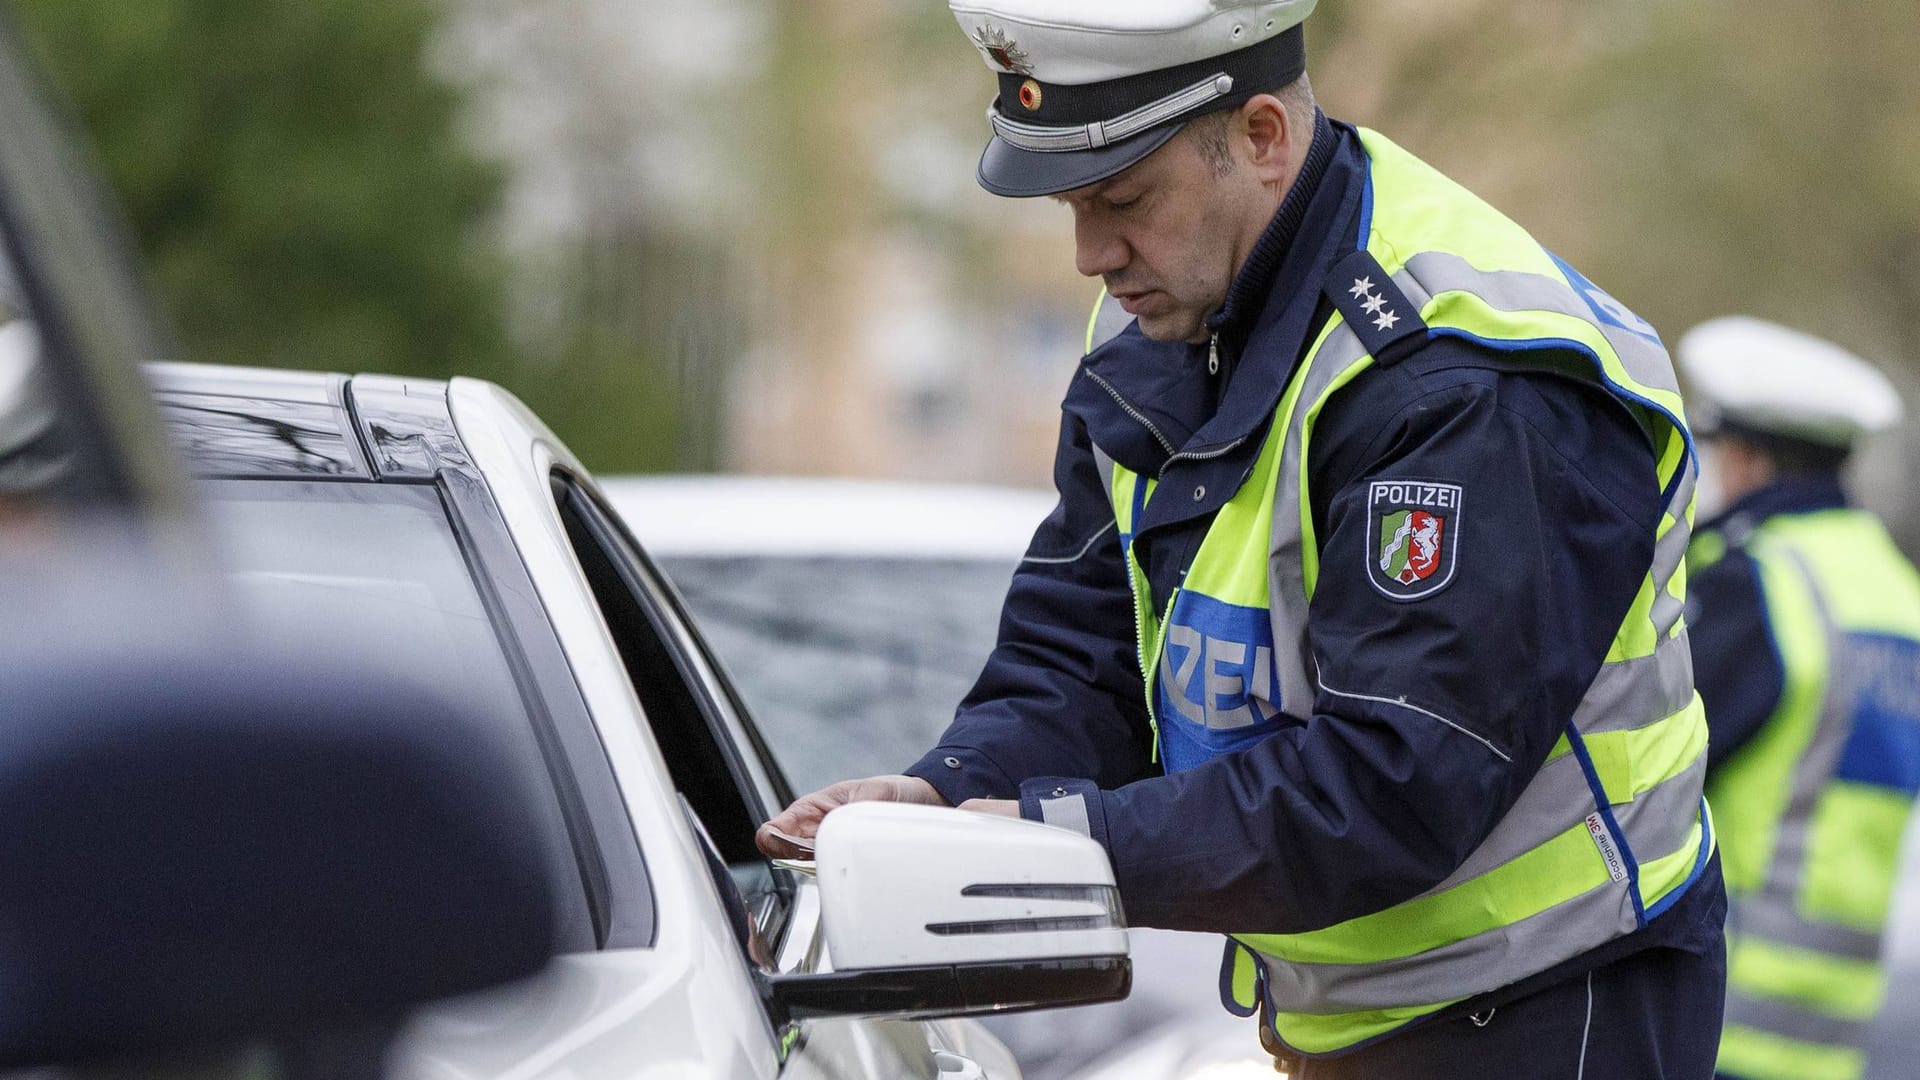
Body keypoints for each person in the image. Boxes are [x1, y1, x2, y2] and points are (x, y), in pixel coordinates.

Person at [759, 2, 1726, 1075]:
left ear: (1263, 138)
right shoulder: (1164, 307)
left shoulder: (1461, 382)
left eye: (1123, 200)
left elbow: (1398, 784)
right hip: (1352, 1010)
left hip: (1549, 1004)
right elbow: (1080, 658)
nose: (1090, 255)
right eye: (1073, 206)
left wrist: (1056, 844)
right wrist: (942, 798)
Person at [1676, 317, 1919, 1080]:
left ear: (1745, 459)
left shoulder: (1758, 583)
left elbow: (1652, 768)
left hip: (1712, 1011)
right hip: (1832, 1030)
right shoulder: (1895, 594)